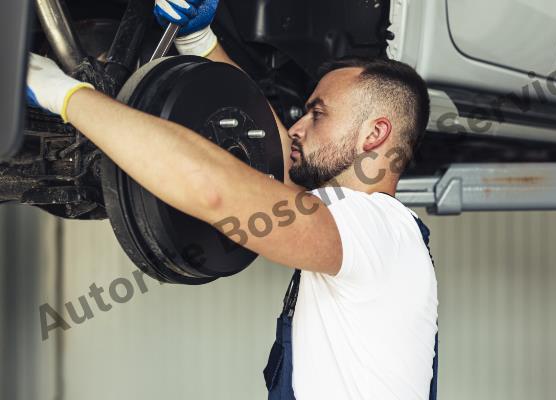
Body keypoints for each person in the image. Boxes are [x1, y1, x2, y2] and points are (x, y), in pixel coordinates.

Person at [26, 1, 438, 398]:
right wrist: (200, 41)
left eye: (317, 114)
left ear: (374, 134)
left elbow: (216, 190)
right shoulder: (370, 233)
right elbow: (278, 163)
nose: (296, 127)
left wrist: (67, 96)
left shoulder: (378, 230)